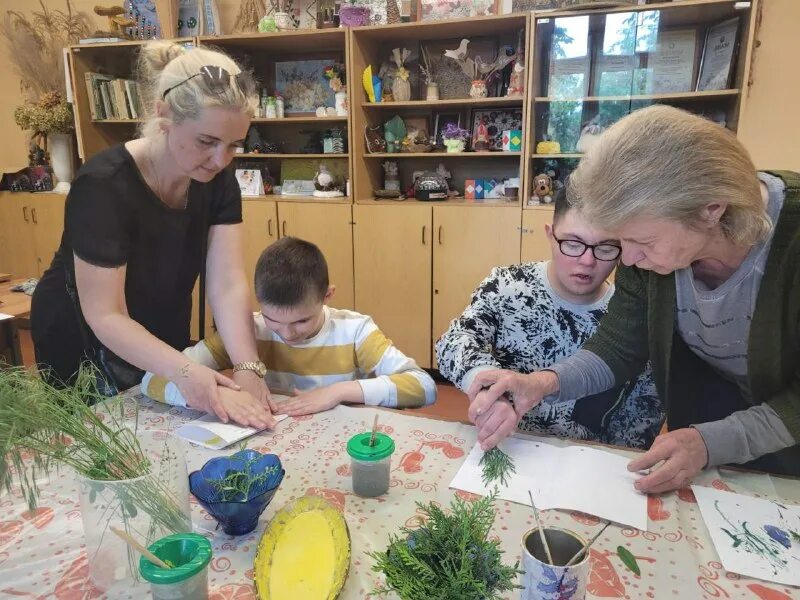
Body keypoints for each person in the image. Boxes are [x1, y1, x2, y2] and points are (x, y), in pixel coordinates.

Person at [468, 105, 800, 493]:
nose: (627, 260)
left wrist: (713, 442)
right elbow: (618, 347)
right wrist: (542, 383)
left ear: (711, 209)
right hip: (703, 439)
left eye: (642, 242)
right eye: (619, 241)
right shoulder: (647, 242)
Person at [31, 41, 276, 430]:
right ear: (163, 114)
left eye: (234, 145)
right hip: (82, 336)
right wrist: (184, 373)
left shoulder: (217, 180)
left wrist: (248, 367)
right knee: (107, 449)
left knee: (170, 441)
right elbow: (105, 315)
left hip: (156, 327)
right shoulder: (104, 184)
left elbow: (227, 283)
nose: (220, 160)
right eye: (207, 142)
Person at [436, 188, 662, 449]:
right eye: (573, 244)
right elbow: (453, 341)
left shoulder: (628, 323)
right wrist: (490, 388)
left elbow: (641, 418)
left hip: (585, 466)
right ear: (550, 235)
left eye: (606, 248)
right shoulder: (507, 286)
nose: (587, 261)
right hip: (509, 448)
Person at [141, 237, 437, 415]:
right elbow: (151, 380)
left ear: (327, 296)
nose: (287, 333)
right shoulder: (246, 332)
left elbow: (423, 386)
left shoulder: (355, 331)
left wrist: (338, 392)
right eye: (273, 319)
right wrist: (217, 397)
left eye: (302, 320)